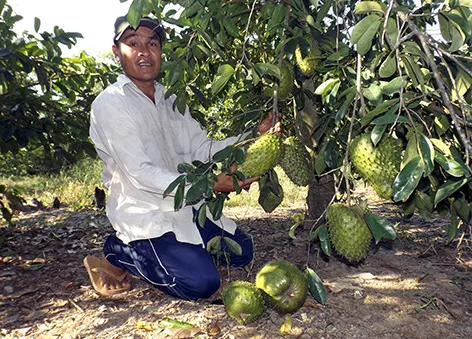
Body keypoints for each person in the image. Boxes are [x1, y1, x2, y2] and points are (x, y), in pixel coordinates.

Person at [83, 15, 281, 300]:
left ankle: (183, 252)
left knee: (242, 252)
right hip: (146, 217)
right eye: (132, 43)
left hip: (186, 209)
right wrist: (210, 185)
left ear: (160, 52)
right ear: (117, 52)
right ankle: (119, 250)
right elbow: (140, 171)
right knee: (200, 284)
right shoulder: (110, 104)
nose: (143, 51)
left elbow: (203, 147)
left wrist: (253, 136)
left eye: (152, 43)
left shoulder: (171, 99)